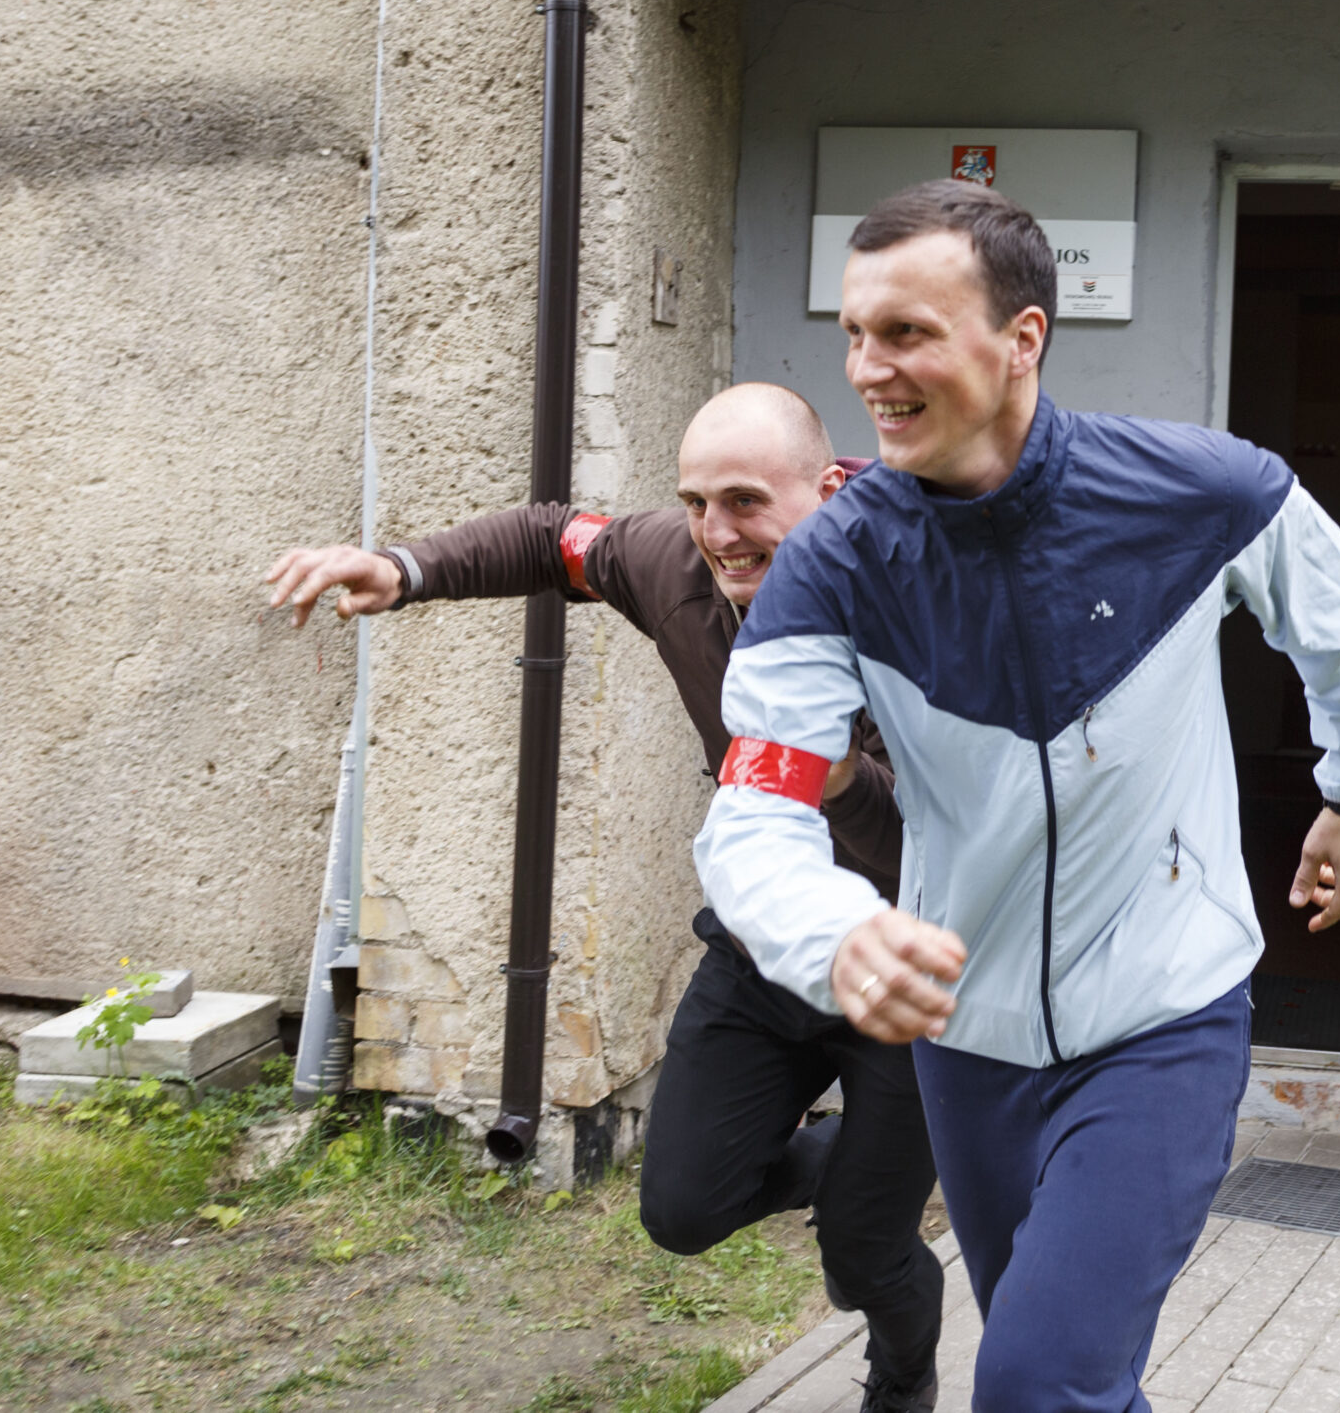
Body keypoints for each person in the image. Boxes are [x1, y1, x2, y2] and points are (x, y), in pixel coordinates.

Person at [693, 182, 1340, 1413]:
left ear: (1021, 337)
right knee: (1072, 1380)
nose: (867, 370)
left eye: (906, 333)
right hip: (967, 1041)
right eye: (855, 334)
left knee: (1032, 1384)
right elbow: (756, 803)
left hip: (1162, 1015)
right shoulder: (834, 565)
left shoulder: (1202, 490)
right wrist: (834, 931)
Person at [263, 382, 943, 1413]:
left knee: (865, 1251)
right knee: (681, 1210)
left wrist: (838, 777)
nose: (718, 532)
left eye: (747, 502)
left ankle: (901, 1380)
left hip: (902, 966)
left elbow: (929, 844)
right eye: (696, 500)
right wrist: (402, 569)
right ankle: (831, 1164)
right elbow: (552, 538)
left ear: (828, 488)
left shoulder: (919, 596)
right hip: (761, 956)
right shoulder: (674, 562)